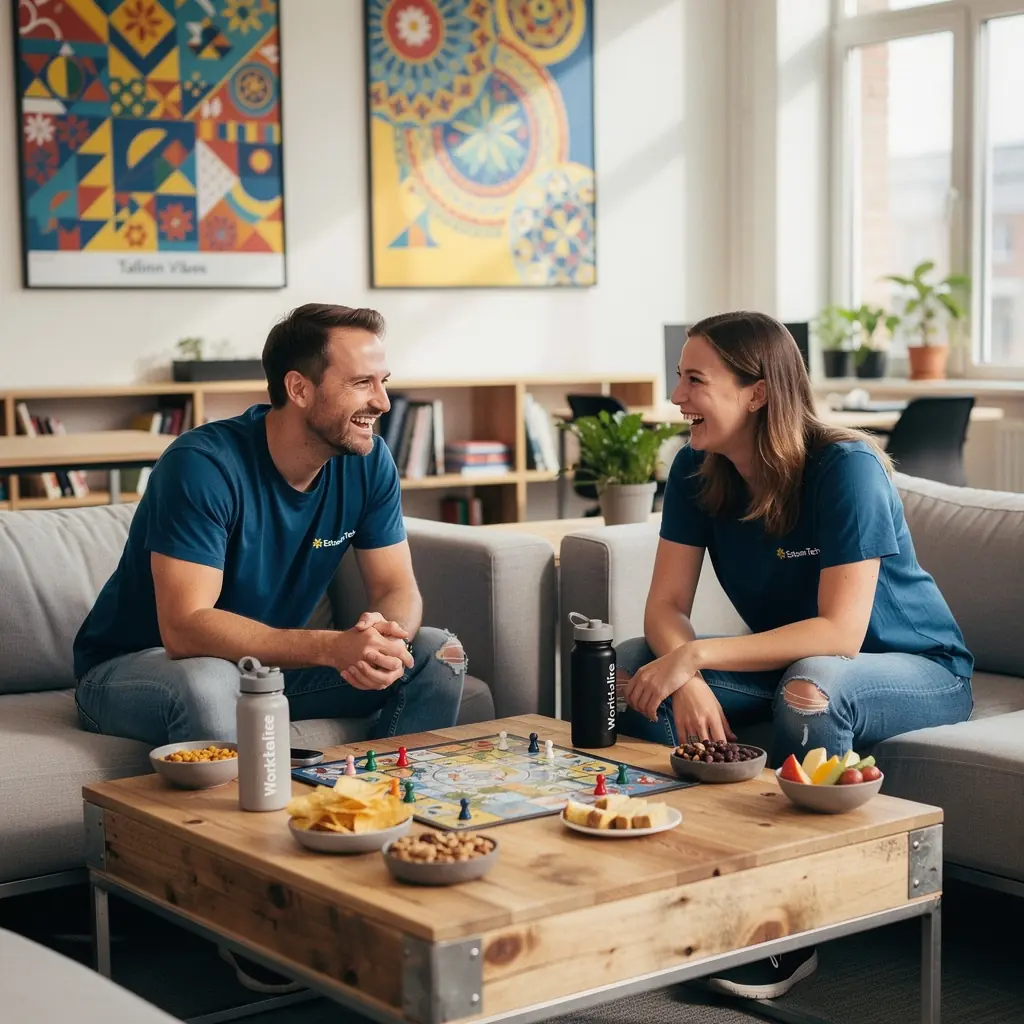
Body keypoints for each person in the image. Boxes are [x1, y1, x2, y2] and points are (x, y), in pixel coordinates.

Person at [616, 311, 973, 1000]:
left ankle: (790, 931)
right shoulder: (694, 468)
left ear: (756, 392)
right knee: (636, 667)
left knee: (812, 686)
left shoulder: (846, 468)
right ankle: (680, 897)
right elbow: (663, 609)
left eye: (694, 380)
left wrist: (696, 657)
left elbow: (840, 632)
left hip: (920, 667)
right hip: (796, 662)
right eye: (679, 378)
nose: (676, 397)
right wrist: (684, 675)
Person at [74, 302, 468, 751]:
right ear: (299, 389)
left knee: (438, 653)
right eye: (362, 383)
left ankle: (376, 793)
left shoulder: (369, 461)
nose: (382, 402)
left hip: (265, 671)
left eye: (383, 382)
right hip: (140, 670)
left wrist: (385, 639)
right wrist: (330, 647)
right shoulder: (201, 466)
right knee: (209, 680)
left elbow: (396, 587)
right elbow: (185, 628)